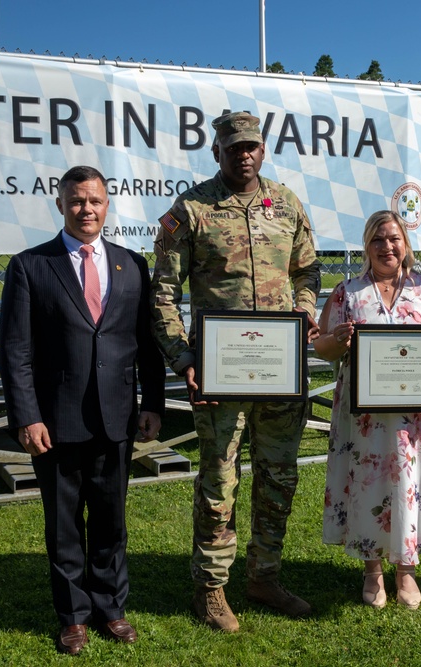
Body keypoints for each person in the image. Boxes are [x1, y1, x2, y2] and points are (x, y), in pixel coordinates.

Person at [150, 111, 321, 633]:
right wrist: (181, 357)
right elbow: (163, 294)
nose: (243, 154)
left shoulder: (286, 203)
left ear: (262, 150)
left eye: (252, 146)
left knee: (279, 476)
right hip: (221, 372)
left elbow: (307, 268)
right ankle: (211, 589)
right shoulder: (192, 210)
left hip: (279, 370)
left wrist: (308, 307)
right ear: (217, 150)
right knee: (219, 480)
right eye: (233, 146)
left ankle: (264, 575)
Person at [0, 165, 165, 655]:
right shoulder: (30, 266)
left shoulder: (131, 265)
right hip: (56, 421)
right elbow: (15, 350)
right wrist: (27, 416)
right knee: (65, 524)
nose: (86, 209)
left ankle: (111, 607)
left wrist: (152, 403)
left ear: (107, 204)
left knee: (112, 520)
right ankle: (73, 615)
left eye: (94, 201)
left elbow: (146, 344)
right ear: (61, 205)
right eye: (76, 201)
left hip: (117, 418)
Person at [315, 210, 421, 610]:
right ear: (366, 245)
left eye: (394, 238)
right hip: (364, 419)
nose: (387, 246)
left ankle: (407, 571)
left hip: (416, 418)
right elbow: (321, 346)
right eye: (378, 239)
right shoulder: (347, 293)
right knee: (367, 483)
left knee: (412, 484)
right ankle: (372, 571)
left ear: (406, 244)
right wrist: (339, 340)